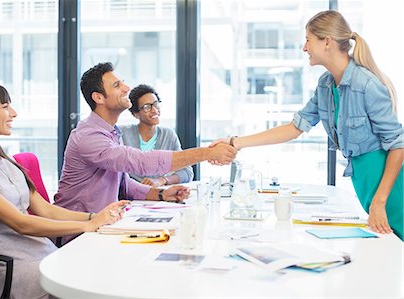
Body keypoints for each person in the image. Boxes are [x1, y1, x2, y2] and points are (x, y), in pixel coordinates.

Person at [211, 10, 403, 240]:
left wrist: (380, 201)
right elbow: (295, 127)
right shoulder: (325, 85)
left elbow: (398, 144)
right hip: (364, 181)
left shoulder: (366, 84)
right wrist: (235, 142)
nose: (304, 48)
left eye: (308, 40)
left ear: (327, 42)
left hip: (389, 187)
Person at [0, 84, 129, 298]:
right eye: (6, 106)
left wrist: (96, 217)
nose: (14, 113)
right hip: (18, 268)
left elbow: (46, 210)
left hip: (46, 254)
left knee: (113, 271)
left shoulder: (7, 162)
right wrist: (88, 225)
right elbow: (21, 223)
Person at [54, 62, 236, 242]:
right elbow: (140, 162)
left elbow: (124, 184)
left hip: (104, 225)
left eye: (123, 82)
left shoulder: (112, 132)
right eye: (117, 85)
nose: (126, 88)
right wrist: (208, 153)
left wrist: (161, 194)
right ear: (98, 98)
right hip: (77, 232)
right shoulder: (88, 135)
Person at [121, 84, 194, 187]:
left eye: (155, 104)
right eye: (147, 107)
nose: (154, 110)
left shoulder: (168, 135)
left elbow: (187, 172)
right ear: (136, 114)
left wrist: (162, 180)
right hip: (131, 196)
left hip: (160, 196)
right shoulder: (123, 134)